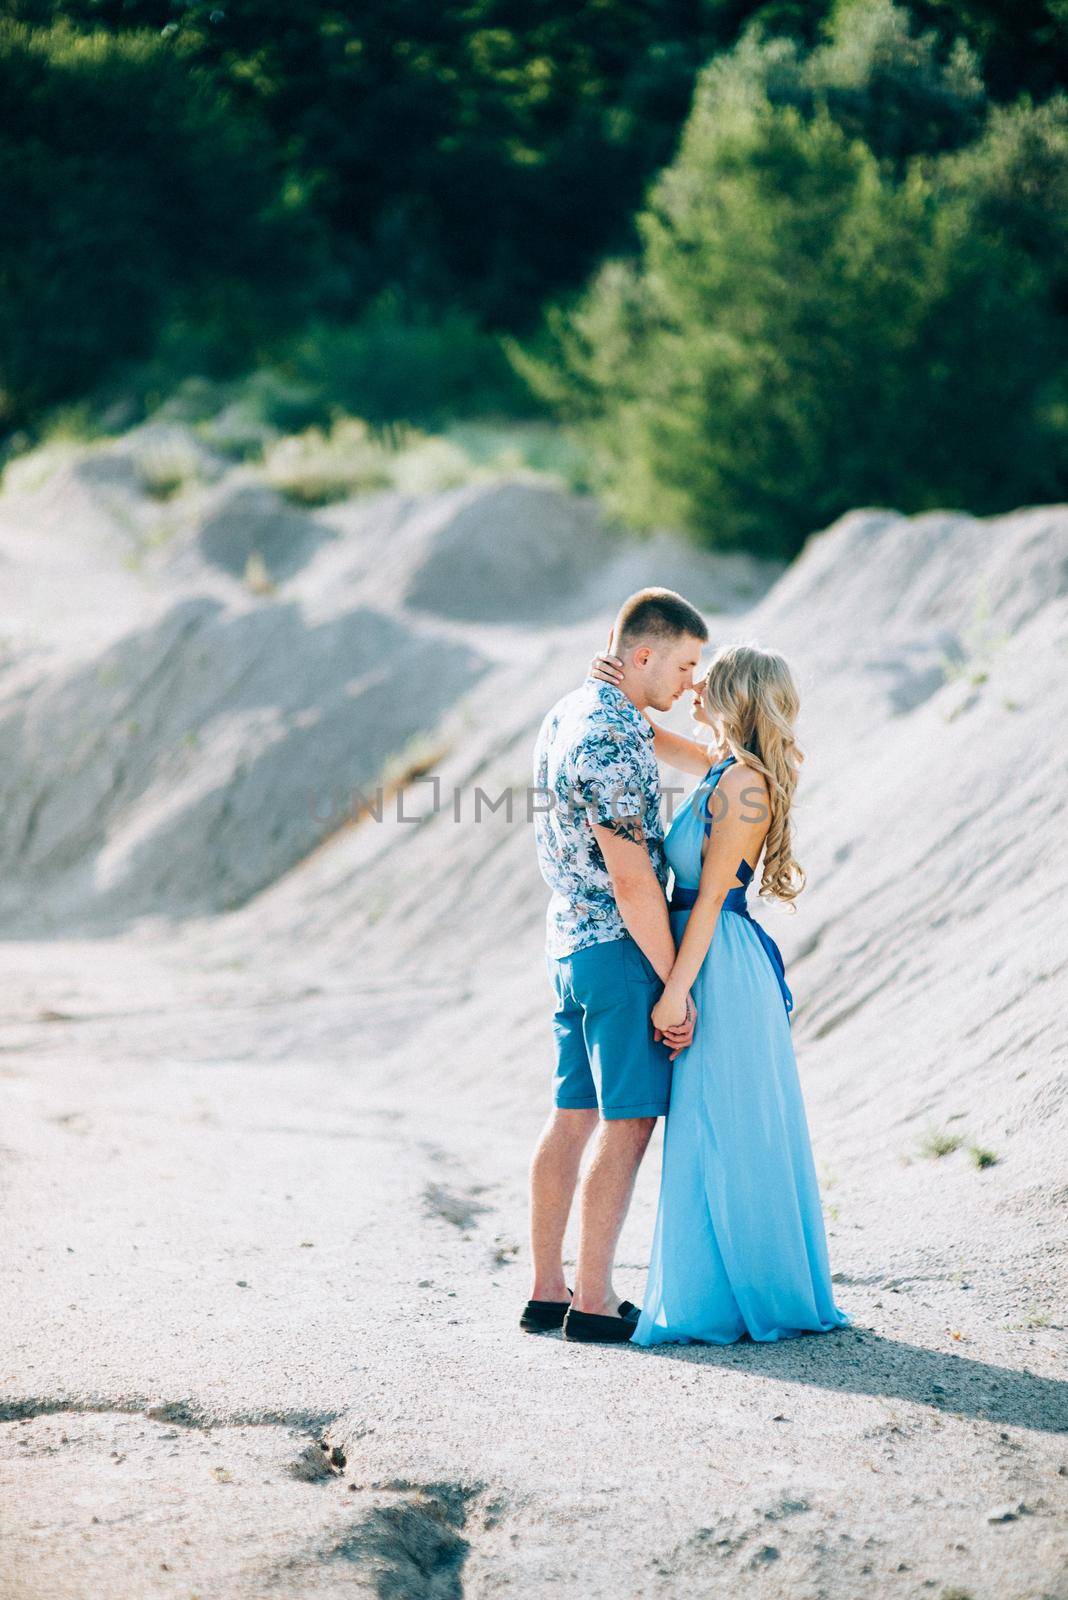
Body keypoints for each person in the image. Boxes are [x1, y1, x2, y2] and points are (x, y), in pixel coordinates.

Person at [589, 641, 851, 1347]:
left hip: (718, 967)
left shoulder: (744, 785)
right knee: (710, 1126)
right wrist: (614, 691)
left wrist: (675, 992)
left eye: (704, 684)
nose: (692, 692)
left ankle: (749, 1293)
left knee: (725, 1127)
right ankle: (722, 1289)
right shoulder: (726, 771)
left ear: (734, 695)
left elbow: (707, 904)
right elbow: (661, 740)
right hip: (701, 959)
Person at [523, 588, 709, 1344]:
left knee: (573, 1118)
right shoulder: (610, 739)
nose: (692, 684)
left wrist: (725, 759)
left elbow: (648, 734)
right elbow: (632, 878)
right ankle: (594, 1301)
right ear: (641, 655)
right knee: (627, 1123)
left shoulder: (578, 709)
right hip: (617, 952)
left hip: (568, 943)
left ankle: (547, 1291)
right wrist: (675, 984)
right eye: (686, 665)